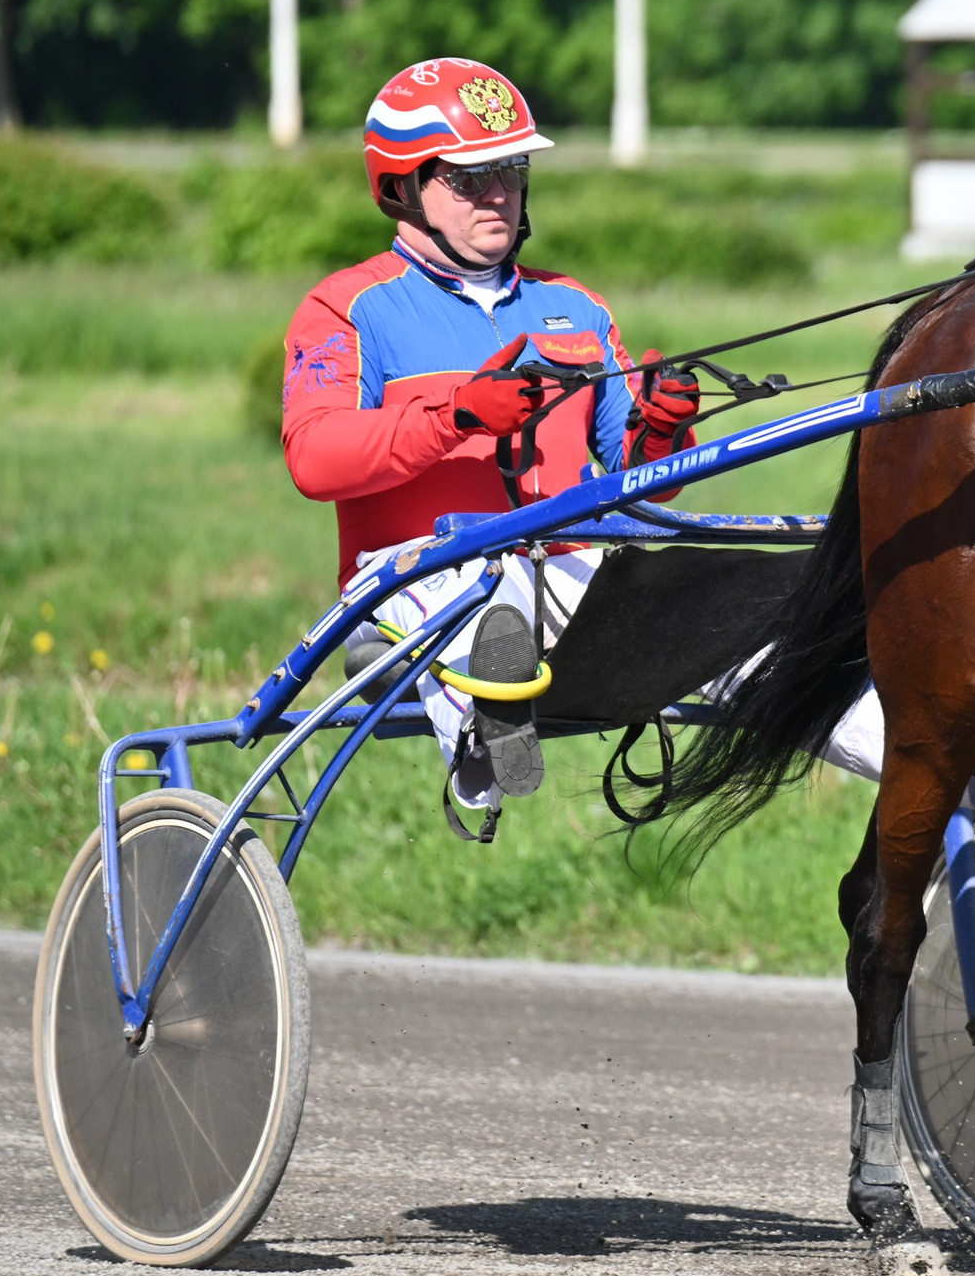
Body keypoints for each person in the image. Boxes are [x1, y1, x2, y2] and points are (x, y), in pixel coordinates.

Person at [279, 58, 702, 827]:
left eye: (510, 168)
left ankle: (950, 746)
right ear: (402, 187)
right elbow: (313, 459)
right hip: (416, 575)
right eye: (469, 178)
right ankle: (482, 731)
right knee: (478, 599)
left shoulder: (572, 305)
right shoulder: (347, 308)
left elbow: (641, 477)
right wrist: (457, 416)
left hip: (572, 567)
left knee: (750, 620)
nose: (499, 193)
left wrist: (666, 428)